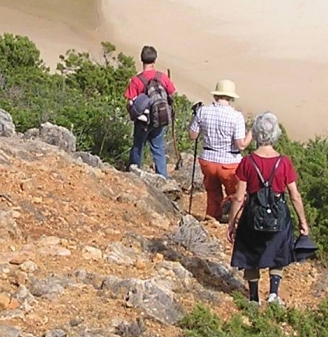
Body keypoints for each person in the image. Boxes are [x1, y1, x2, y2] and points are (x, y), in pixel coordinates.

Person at [226, 112, 310, 305]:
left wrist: (231, 223)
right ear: (276, 134)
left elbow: (239, 197)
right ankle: (273, 294)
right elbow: (295, 196)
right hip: (279, 216)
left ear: (256, 133)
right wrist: (303, 222)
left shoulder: (247, 162)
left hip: (252, 216)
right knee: (278, 252)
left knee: (250, 254)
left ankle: (254, 298)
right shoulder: (284, 162)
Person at [188, 80, 251, 221]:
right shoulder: (236, 116)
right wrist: (251, 134)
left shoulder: (203, 111)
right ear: (231, 98)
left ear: (216, 95)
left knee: (212, 192)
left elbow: (192, 135)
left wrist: (194, 117)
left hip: (208, 160)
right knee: (235, 194)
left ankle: (212, 218)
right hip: (229, 162)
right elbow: (241, 145)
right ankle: (234, 220)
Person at [125, 46, 176, 176]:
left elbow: (130, 102)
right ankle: (163, 178)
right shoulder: (162, 77)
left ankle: (133, 173)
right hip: (159, 119)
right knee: (158, 150)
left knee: (138, 147)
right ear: (155, 59)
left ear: (141, 59)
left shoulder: (136, 80)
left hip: (143, 122)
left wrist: (133, 114)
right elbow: (172, 93)